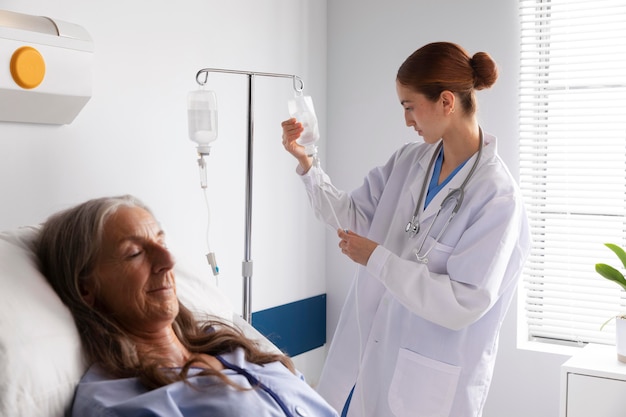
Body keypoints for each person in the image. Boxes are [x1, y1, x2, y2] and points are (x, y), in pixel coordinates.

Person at [281, 42, 531, 417]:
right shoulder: (409, 160)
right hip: (367, 352)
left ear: (446, 102)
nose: (407, 119)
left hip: (427, 381)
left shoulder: (498, 197)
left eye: (409, 106)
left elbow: (463, 303)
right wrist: (307, 164)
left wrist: (377, 259)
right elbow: (352, 214)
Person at [35, 195, 338, 417]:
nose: (168, 262)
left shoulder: (230, 346)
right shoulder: (117, 403)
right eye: (134, 254)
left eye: (161, 244)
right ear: (85, 287)